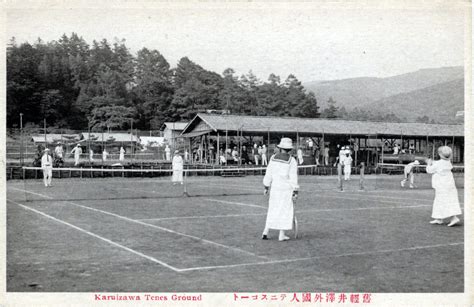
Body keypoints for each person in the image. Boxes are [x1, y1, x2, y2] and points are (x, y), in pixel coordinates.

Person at [262, 138, 299, 241]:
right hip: (286, 189)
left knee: (272, 209)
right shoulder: (292, 161)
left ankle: (265, 231)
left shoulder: (273, 158)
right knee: (284, 210)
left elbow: (268, 174)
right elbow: (293, 178)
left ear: (280, 148)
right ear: (290, 149)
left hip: (275, 188)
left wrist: (266, 186)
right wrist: (295, 190)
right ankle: (281, 235)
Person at [426, 146, 462, 227]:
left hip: (442, 186)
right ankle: (439, 218)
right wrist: (431, 162)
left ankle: (453, 218)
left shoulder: (439, 163)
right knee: (442, 201)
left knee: (442, 201)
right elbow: (438, 163)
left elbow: (429, 170)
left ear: (440, 154)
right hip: (449, 186)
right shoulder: (448, 162)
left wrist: (428, 164)